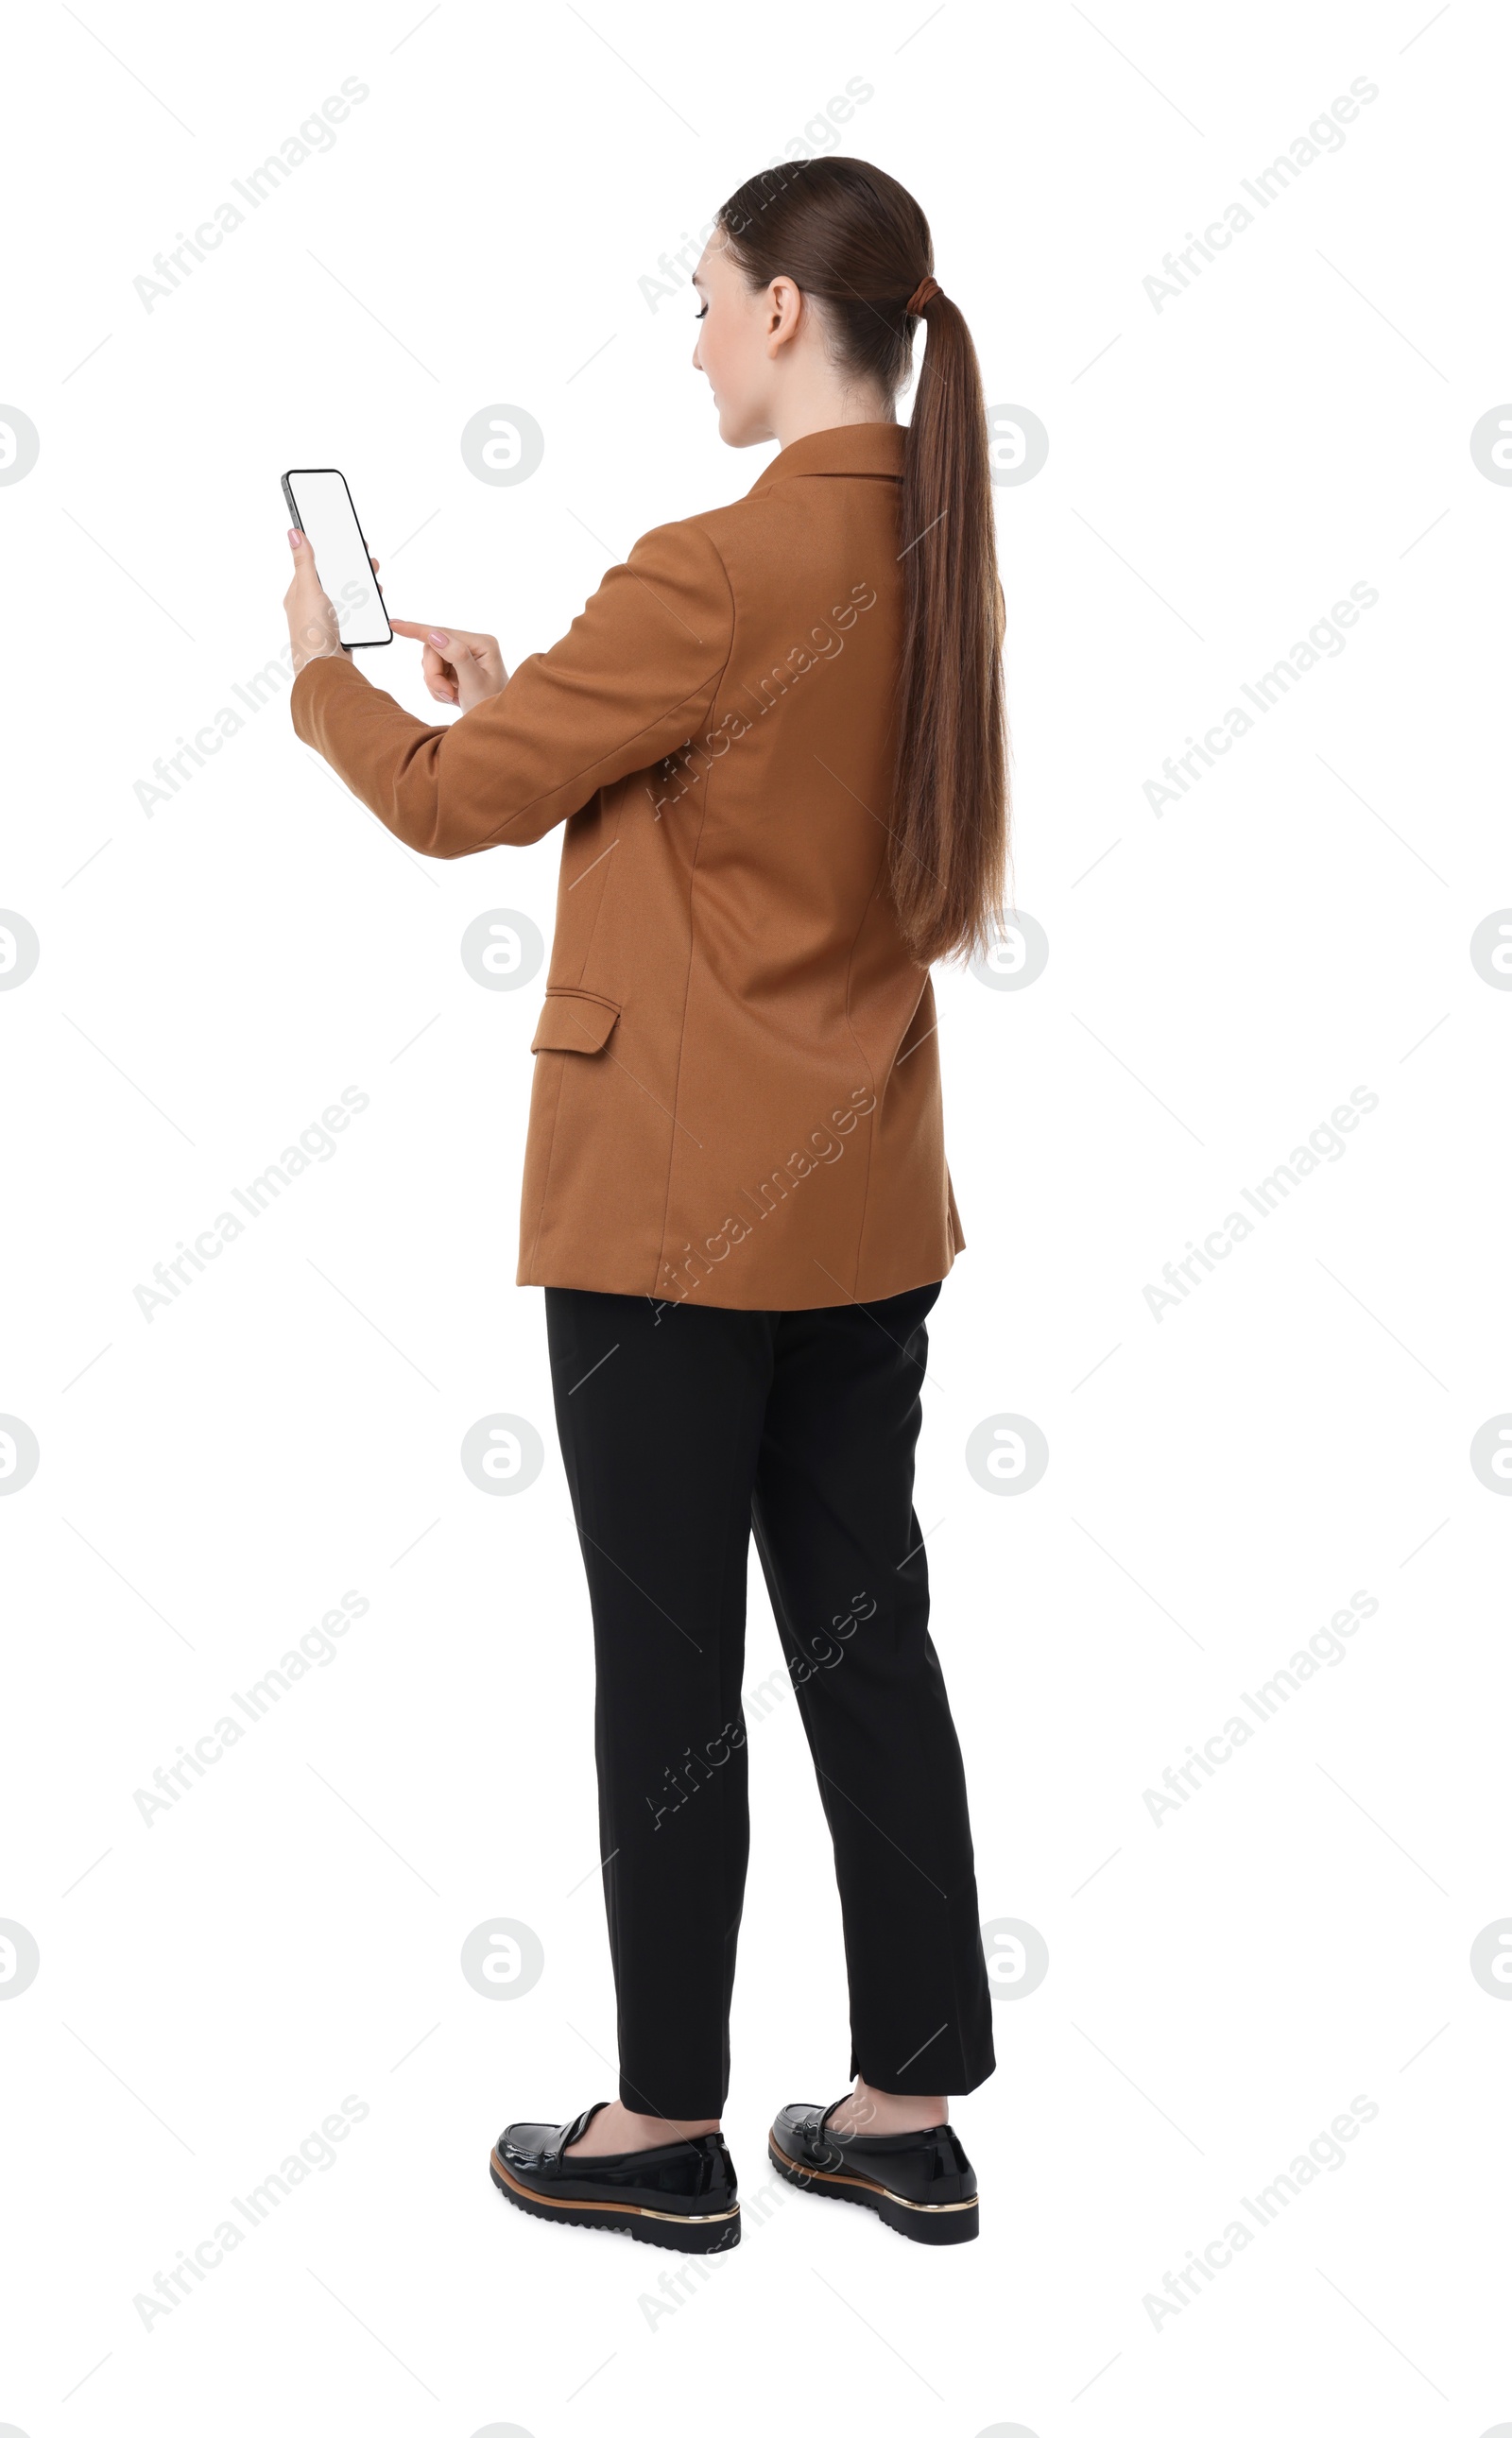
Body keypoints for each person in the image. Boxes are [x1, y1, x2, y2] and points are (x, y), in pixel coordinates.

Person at [284, 155, 1006, 2255]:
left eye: (700, 296)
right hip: (861, 1200)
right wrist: (536, 688)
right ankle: (905, 2101)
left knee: (670, 1664)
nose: (686, 333)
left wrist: (320, 670)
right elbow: (739, 804)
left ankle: (659, 2123)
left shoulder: (706, 563)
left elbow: (442, 807)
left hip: (668, 1224)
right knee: (866, 1638)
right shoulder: (936, 542)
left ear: (787, 311)